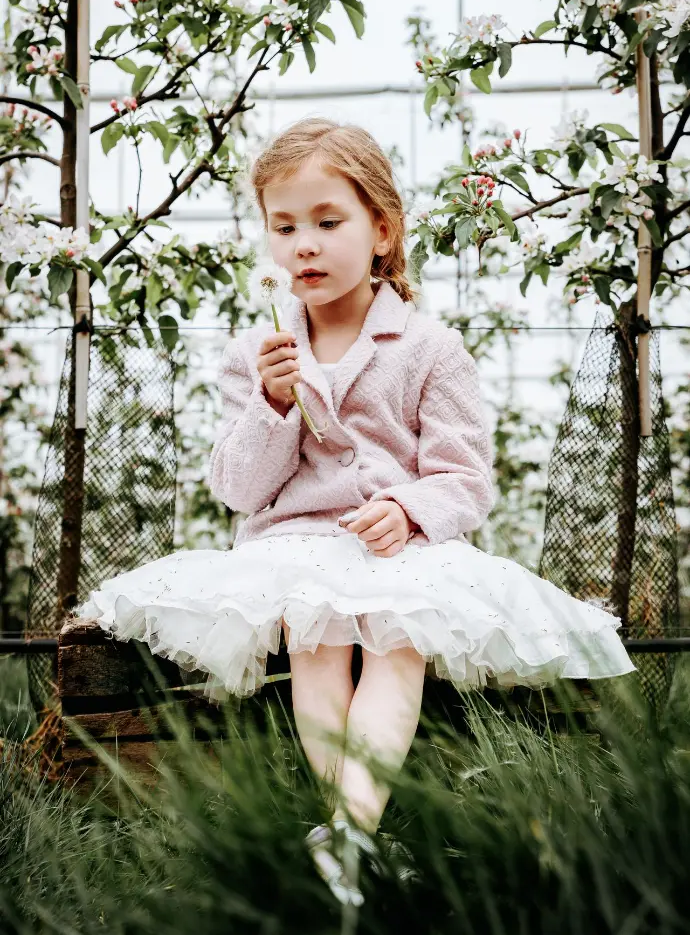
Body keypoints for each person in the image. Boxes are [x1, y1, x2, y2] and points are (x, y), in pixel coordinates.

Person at [73, 116, 636, 906]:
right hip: (298, 544)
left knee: (396, 640)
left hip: (399, 551)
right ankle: (355, 840)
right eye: (284, 225)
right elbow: (238, 488)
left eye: (327, 222)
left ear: (381, 229)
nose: (304, 243)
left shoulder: (429, 348)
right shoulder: (257, 354)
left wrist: (408, 509)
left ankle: (347, 833)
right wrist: (273, 403)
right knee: (319, 636)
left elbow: (466, 477)